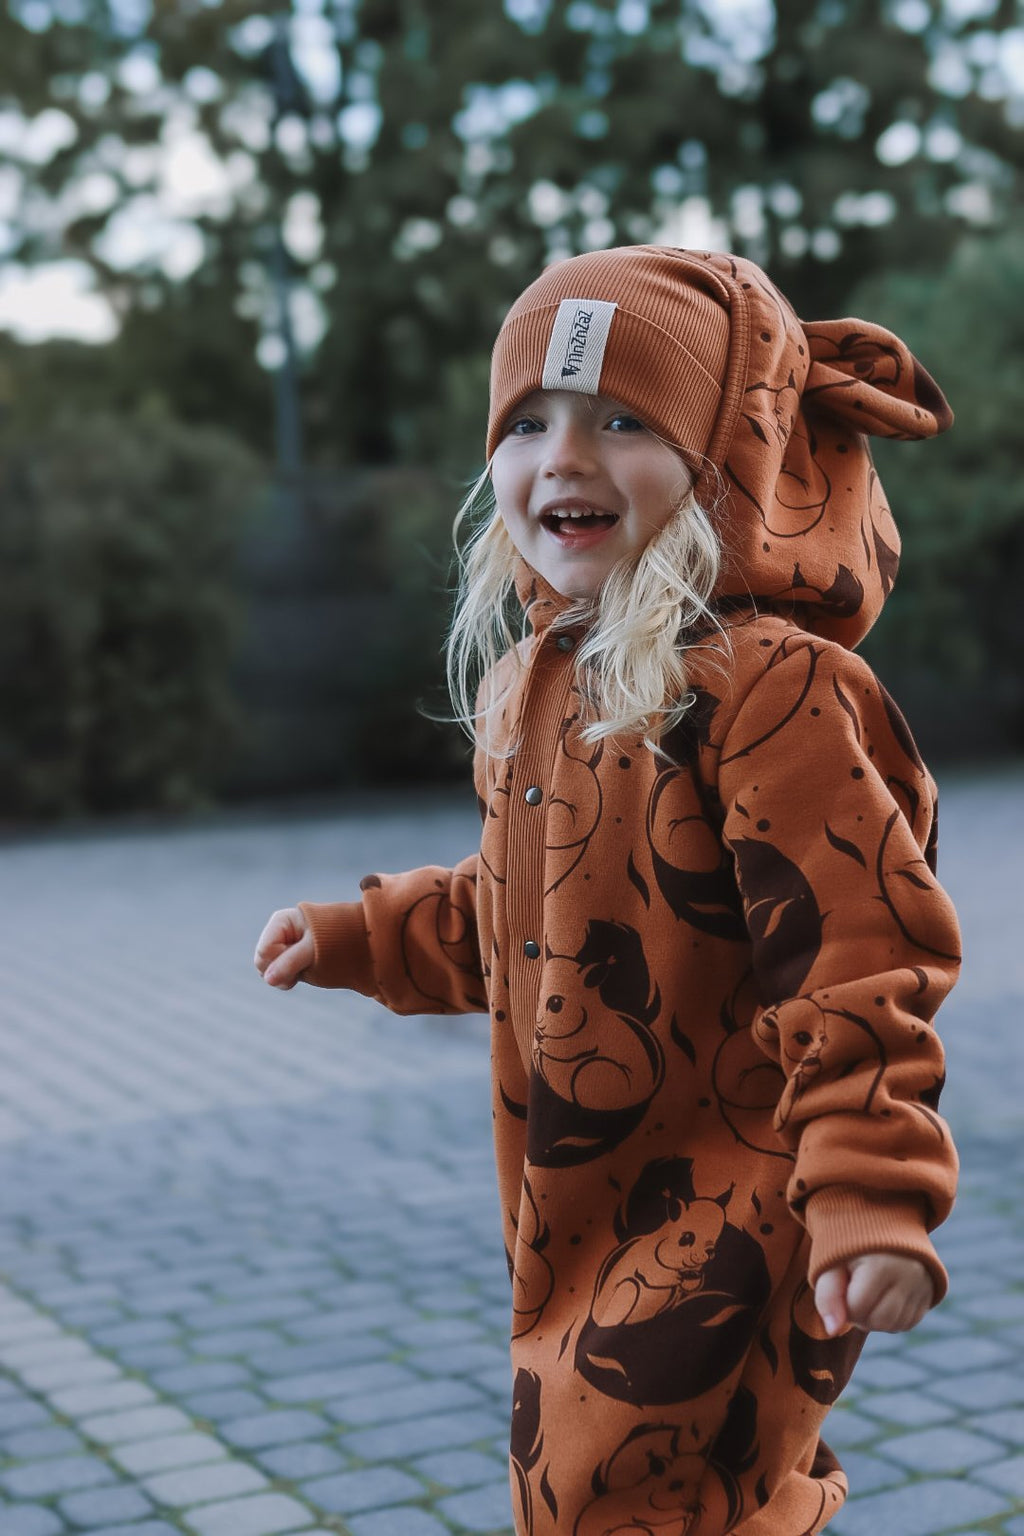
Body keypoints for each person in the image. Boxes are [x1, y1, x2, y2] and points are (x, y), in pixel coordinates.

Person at [254, 246, 961, 1536]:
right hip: (568, 1220)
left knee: (648, 1507)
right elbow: (526, 911)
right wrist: (367, 934)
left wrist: (871, 1187)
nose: (563, 456)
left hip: (732, 1217)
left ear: (723, 464)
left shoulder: (767, 690)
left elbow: (860, 954)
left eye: (623, 419)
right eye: (528, 422)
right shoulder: (537, 686)